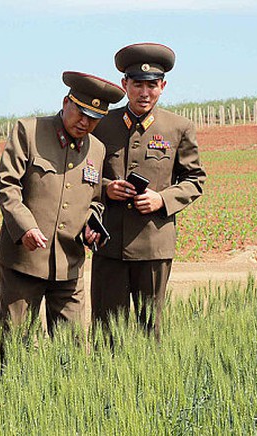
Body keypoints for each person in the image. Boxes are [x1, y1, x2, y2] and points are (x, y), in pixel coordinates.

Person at [0, 71, 125, 337]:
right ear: (66, 102)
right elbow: (8, 185)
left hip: (70, 263)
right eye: (81, 113)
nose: (85, 123)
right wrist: (25, 227)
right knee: (12, 342)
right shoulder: (29, 132)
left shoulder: (97, 149)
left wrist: (92, 224)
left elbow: (96, 201)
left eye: (95, 119)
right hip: (24, 260)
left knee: (72, 347)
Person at [90, 43, 206, 339]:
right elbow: (82, 174)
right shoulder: (103, 125)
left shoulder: (178, 127)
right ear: (124, 84)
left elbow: (194, 179)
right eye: (137, 84)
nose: (144, 93)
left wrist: (161, 199)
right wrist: (106, 188)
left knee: (149, 332)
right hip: (109, 244)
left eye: (152, 85)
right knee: (107, 333)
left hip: (154, 246)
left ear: (163, 86)